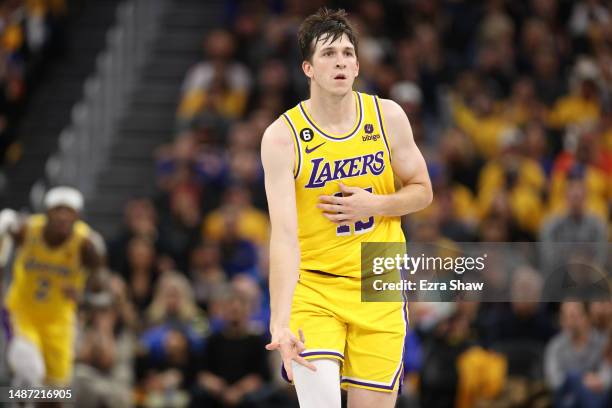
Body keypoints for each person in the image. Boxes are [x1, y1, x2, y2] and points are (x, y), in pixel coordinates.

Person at [260, 8, 432, 408]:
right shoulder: (282, 137)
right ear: (308, 67)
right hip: (315, 287)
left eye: (347, 53)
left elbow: (423, 191)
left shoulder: (387, 116)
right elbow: (283, 237)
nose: (340, 61)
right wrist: (279, 322)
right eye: (328, 54)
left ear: (357, 64)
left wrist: (377, 203)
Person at [0, 186, 105, 401]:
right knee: (30, 371)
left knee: (54, 393)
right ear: (47, 212)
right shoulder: (28, 230)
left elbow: (105, 295)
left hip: (60, 321)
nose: (63, 216)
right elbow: (6, 223)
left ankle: (19, 398)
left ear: (77, 216)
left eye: (69, 211)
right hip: (22, 313)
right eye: (58, 209)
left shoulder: (87, 244)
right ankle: (18, 401)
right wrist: (7, 223)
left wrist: (83, 297)